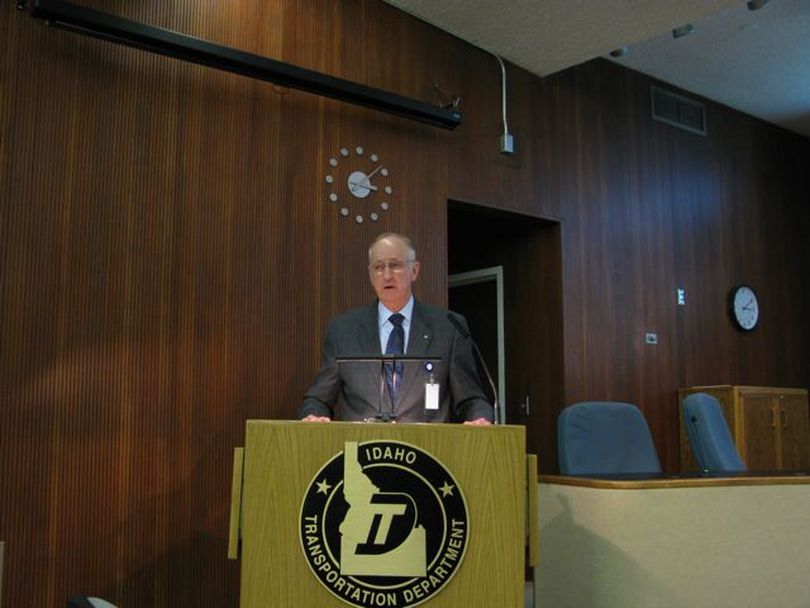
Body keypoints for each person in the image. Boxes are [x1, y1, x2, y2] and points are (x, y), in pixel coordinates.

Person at [299, 232, 493, 425]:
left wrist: (480, 418)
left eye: (395, 265)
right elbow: (318, 399)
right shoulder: (343, 331)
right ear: (370, 275)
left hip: (425, 450)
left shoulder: (448, 328)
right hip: (362, 449)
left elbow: (471, 399)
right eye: (378, 267)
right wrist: (314, 415)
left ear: (415, 270)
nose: (387, 275)